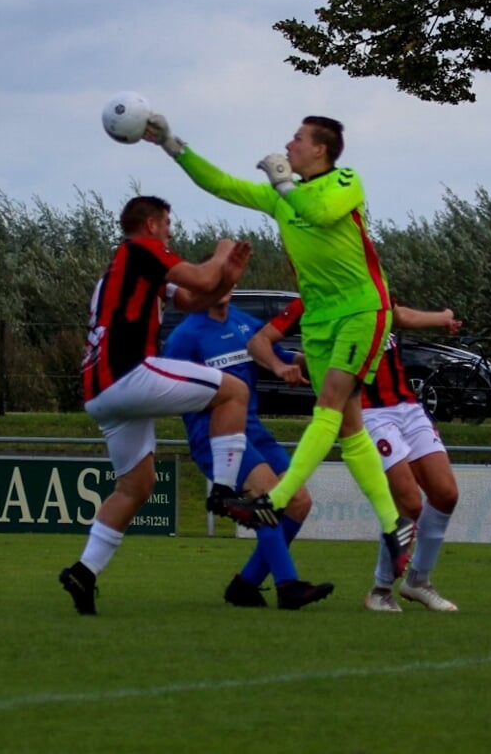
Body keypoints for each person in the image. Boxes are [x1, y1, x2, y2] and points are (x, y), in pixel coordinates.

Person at [143, 113, 414, 575]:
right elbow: (222, 186)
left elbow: (321, 212)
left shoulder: (345, 181)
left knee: (327, 408)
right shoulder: (281, 196)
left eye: (298, 139)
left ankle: (274, 500)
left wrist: (286, 186)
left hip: (362, 310)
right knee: (349, 430)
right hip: (321, 317)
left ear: (320, 151)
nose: (289, 144)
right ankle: (393, 524)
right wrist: (172, 144)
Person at [60, 195, 253, 615]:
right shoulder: (142, 249)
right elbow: (200, 279)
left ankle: (84, 572)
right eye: (167, 223)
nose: (170, 231)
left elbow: (192, 300)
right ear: (150, 224)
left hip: (100, 393)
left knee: (136, 487)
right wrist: (220, 255)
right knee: (235, 390)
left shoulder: (124, 265)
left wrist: (226, 279)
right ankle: (223, 492)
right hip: (128, 374)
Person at [258, 296, 463, 613]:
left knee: (446, 494)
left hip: (407, 407)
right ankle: (381, 590)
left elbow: (401, 315)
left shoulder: (371, 292)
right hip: (368, 413)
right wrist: (285, 365)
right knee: (409, 502)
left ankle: (418, 582)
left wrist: (443, 316)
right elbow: (262, 341)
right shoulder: (311, 302)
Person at [162, 289, 332, 610]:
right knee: (265, 495)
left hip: (253, 428)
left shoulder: (243, 322)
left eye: (229, 278)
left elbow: (275, 353)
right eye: (216, 277)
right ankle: (287, 585)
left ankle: (245, 585)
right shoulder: (185, 336)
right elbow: (169, 388)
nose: (223, 285)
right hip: (214, 435)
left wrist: (307, 364)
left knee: (299, 502)